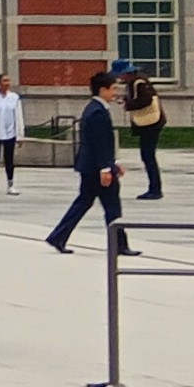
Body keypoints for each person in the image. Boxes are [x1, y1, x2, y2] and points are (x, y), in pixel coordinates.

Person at [46, 69, 126, 258]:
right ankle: (119, 244)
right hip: (96, 169)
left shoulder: (94, 108)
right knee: (112, 206)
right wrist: (106, 168)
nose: (115, 93)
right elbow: (99, 144)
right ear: (102, 90)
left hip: (92, 167)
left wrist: (112, 164)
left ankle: (59, 236)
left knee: (85, 203)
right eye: (113, 88)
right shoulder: (97, 112)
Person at [125, 73, 166, 201]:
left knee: (148, 156)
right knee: (148, 156)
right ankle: (154, 188)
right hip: (151, 124)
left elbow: (146, 100)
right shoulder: (139, 82)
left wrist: (129, 104)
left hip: (151, 124)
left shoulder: (139, 83)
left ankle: (155, 189)